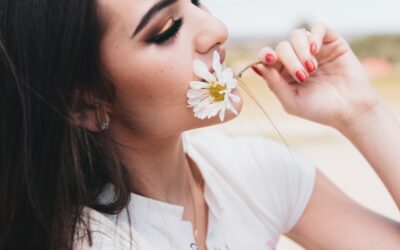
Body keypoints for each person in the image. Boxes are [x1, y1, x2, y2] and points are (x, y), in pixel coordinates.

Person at [0, 1, 399, 250]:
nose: (217, 30)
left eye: (194, 1)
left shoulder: (254, 171)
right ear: (86, 103)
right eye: (166, 30)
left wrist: (362, 111)